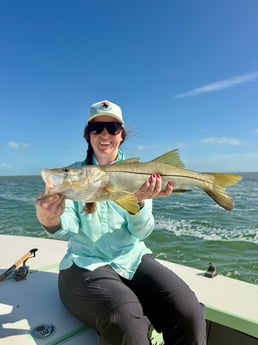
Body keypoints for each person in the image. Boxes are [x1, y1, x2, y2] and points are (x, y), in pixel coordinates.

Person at [35, 100, 206, 345]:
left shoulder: (140, 172)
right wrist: (48, 216)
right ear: (88, 134)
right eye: (97, 128)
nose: (104, 134)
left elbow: (142, 232)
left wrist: (138, 203)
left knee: (189, 312)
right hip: (86, 263)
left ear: (121, 134)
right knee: (125, 317)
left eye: (112, 127)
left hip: (132, 258)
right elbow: (67, 226)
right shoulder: (74, 175)